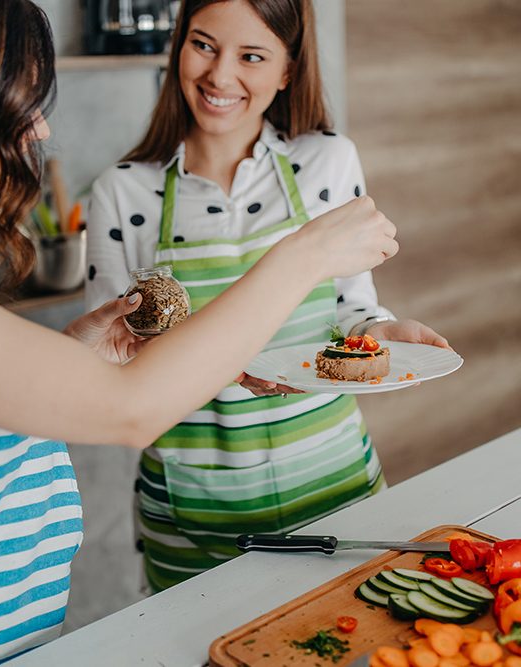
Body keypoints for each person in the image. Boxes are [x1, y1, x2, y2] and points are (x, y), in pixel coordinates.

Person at [0, 0, 398, 664]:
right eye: (19, 97)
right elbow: (132, 409)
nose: (35, 128)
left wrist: (70, 356)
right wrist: (303, 256)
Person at [86, 0, 451, 593]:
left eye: (251, 56)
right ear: (178, 44)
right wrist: (219, 367)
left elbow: (352, 309)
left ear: (286, 70)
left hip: (337, 488)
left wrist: (377, 335)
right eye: (203, 45)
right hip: (194, 516)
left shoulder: (328, 163)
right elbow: (113, 370)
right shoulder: (122, 193)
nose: (219, 77)